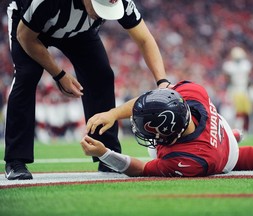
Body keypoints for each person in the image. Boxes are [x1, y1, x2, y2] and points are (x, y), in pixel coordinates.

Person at [4, 0, 170, 180]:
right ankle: (15, 160)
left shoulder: (122, 2)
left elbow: (144, 39)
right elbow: (25, 36)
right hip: (30, 29)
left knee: (101, 75)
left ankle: (107, 154)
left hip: (78, 32)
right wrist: (59, 74)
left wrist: (162, 81)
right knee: (27, 75)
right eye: (100, 8)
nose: (102, 14)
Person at [80, 80, 253, 177]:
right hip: (218, 129)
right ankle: (229, 136)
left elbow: (140, 169)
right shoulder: (192, 92)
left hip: (219, 156)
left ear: (170, 134)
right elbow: (152, 100)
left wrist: (104, 153)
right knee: (230, 146)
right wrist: (113, 114)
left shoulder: (190, 160)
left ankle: (229, 139)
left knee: (233, 161)